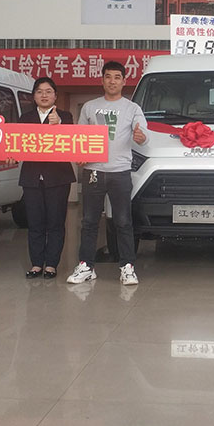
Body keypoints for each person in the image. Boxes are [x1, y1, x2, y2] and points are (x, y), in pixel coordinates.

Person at [67, 61, 147, 286]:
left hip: (120, 172)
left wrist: (141, 137)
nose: (112, 81)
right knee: (89, 221)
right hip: (93, 171)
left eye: (117, 77)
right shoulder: (90, 107)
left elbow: (143, 134)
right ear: (102, 80)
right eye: (108, 77)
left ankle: (127, 267)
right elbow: (80, 137)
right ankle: (86, 266)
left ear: (124, 81)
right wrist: (80, 154)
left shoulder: (132, 108)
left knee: (123, 221)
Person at [18, 77, 76, 280]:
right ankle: (36, 264)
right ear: (34, 96)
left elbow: (72, 142)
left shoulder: (65, 116)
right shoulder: (25, 118)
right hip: (32, 178)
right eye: (39, 91)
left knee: (56, 222)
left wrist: (59, 125)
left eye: (48, 91)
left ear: (55, 96)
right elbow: (17, 144)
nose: (44, 95)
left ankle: (51, 264)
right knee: (35, 222)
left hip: (58, 178)